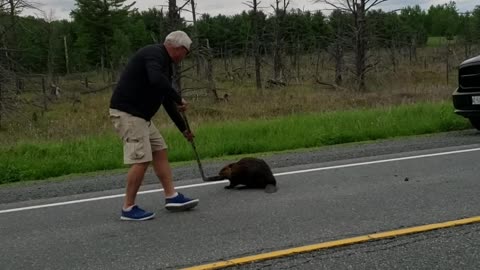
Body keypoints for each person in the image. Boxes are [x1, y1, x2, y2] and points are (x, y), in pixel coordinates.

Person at [109, 30, 198, 221]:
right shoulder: (154, 54)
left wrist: (184, 129)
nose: (185, 57)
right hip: (129, 114)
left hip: (142, 117)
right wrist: (178, 98)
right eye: (186, 52)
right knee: (141, 159)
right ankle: (128, 208)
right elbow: (156, 80)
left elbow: (165, 99)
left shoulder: (166, 64)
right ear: (179, 48)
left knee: (160, 150)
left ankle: (171, 196)